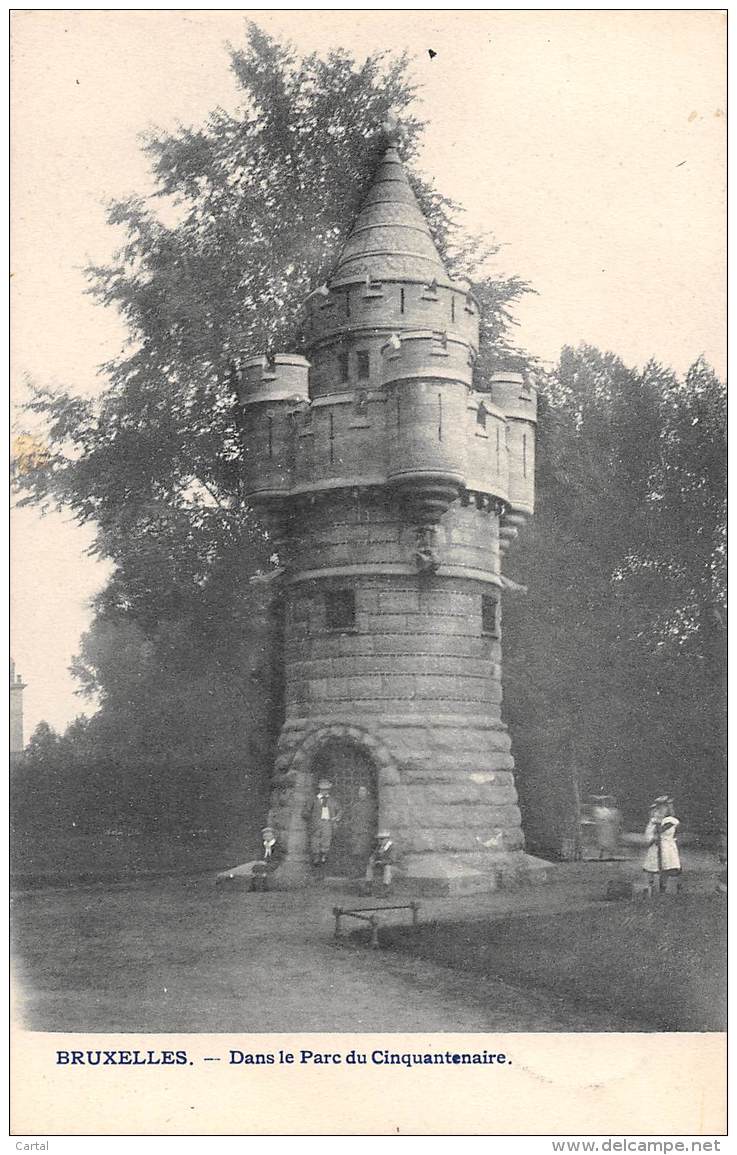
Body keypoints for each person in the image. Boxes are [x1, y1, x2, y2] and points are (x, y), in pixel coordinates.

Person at [643, 795, 681, 895]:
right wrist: (652, 837)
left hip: (667, 845)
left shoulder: (671, 820)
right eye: (660, 808)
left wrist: (657, 824)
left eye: (665, 807)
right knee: (652, 867)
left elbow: (662, 830)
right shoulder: (655, 820)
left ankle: (662, 890)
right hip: (656, 845)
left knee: (666, 867)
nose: (661, 810)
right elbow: (650, 832)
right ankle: (650, 887)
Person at [306, 779, 342, 866]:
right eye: (322, 789)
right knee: (315, 839)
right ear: (319, 790)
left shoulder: (332, 800)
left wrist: (336, 817)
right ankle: (316, 856)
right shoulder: (314, 800)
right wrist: (312, 818)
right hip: (316, 823)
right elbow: (306, 811)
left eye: (326, 789)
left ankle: (324, 856)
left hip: (327, 823)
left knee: (326, 839)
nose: (324, 791)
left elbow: (339, 810)